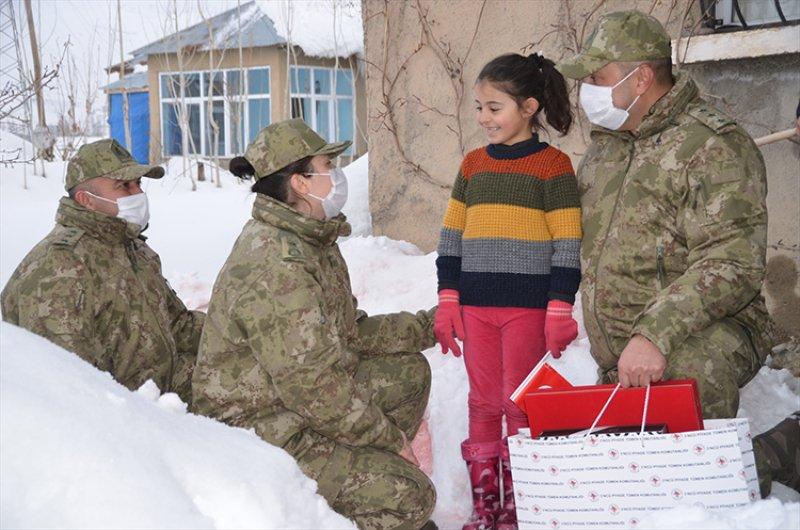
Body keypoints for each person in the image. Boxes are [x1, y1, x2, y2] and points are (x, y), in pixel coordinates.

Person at [556, 9, 797, 497]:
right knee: (630, 478)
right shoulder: (606, 149)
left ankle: (775, 453)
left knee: (678, 478)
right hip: (623, 350)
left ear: (641, 77)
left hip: (702, 334)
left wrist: (653, 334)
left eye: (598, 78)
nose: (588, 93)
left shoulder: (712, 145)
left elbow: (732, 263)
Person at [191, 119, 437, 530]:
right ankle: (338, 512)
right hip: (259, 433)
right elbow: (317, 389)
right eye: (328, 165)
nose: (338, 175)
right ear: (301, 183)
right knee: (413, 495)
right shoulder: (277, 265)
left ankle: (363, 491)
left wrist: (430, 326)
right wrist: (390, 441)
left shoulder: (307, 240)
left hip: (290, 404)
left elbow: (349, 334)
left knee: (409, 374)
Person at [434, 53, 581, 530]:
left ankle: (522, 506)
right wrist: (447, 300)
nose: (483, 118)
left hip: (526, 310)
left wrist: (559, 308)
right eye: (479, 107)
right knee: (482, 401)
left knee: (519, 402)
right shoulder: (473, 165)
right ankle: (486, 508)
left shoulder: (553, 166)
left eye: (494, 107)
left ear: (529, 107)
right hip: (475, 308)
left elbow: (567, 242)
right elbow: (452, 236)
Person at [1, 139, 204, 404]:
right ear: (87, 200)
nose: (137, 194)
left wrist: (232, 331)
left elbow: (176, 324)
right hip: (124, 416)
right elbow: (67, 389)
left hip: (165, 393)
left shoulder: (131, 248)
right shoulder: (59, 270)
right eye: (123, 186)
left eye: (138, 184)